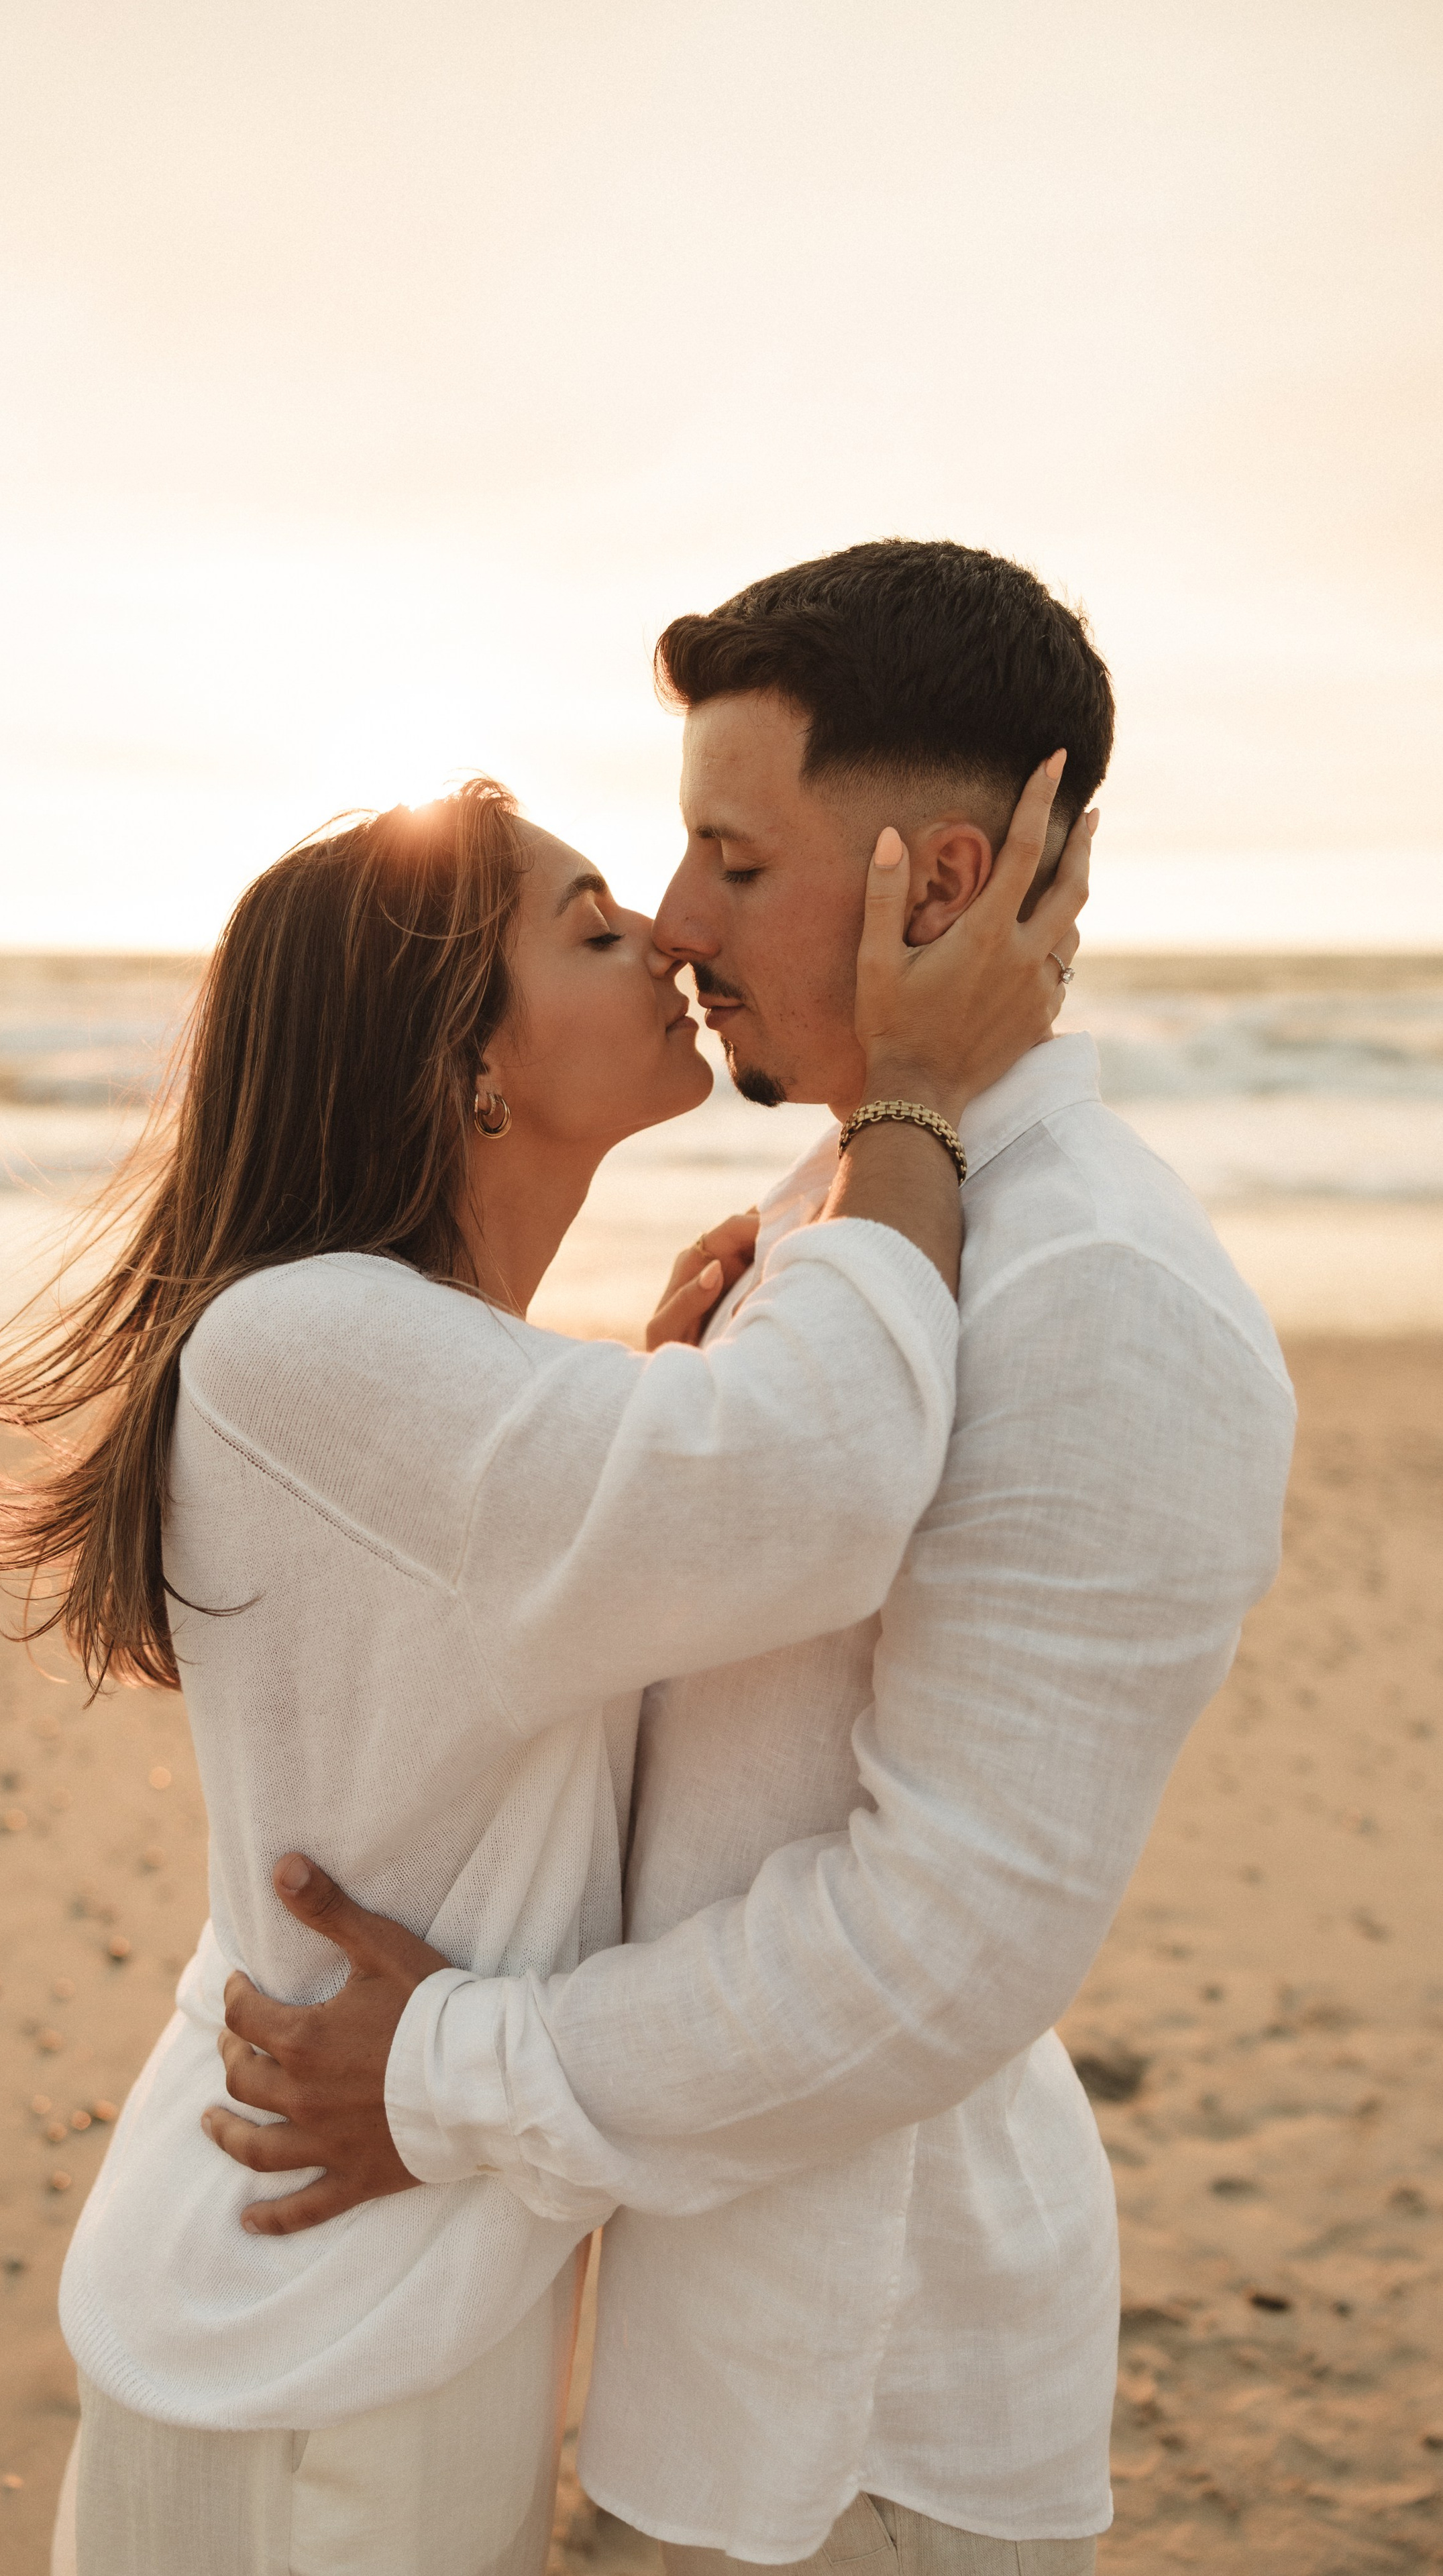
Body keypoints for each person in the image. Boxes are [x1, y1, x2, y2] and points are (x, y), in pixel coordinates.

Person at [203, 542, 1297, 2573]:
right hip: (715, 2362)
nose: (676, 917)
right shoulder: (864, 1208)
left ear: (938, 891)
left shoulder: (1102, 1299)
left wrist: (452, 2069)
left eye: (731, 856)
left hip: (871, 2419)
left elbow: (943, 1945)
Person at [0, 754, 1087, 2576]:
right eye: (593, 927)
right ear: (469, 1063)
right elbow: (823, 1481)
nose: (671, 940)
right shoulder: (306, 1344)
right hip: (316, 2334)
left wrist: (664, 1392)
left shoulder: (399, 1361)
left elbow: (642, 1554)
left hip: (383, 2279)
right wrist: (914, 1095)